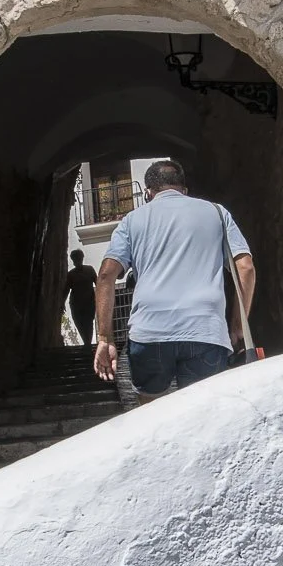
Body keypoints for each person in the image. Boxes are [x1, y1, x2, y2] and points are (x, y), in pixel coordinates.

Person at [93, 159, 255, 399]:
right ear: (184, 189)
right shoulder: (217, 212)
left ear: (148, 193)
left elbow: (106, 276)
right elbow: (246, 267)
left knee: (151, 412)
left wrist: (105, 338)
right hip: (205, 328)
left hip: (150, 330)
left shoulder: (131, 221)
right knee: (203, 411)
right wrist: (238, 326)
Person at [65, 248, 98, 347]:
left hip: (89, 302)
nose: (76, 261)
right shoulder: (71, 274)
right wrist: (62, 303)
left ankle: (87, 343)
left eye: (78, 258)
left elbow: (98, 284)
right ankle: (86, 343)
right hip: (76, 304)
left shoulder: (89, 270)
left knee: (88, 323)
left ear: (82, 258)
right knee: (79, 323)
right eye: (74, 259)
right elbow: (66, 289)